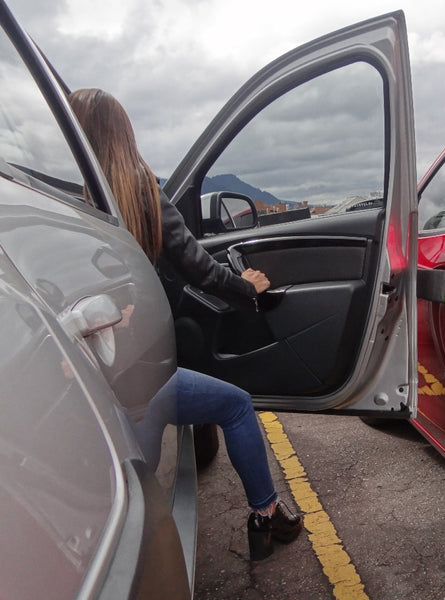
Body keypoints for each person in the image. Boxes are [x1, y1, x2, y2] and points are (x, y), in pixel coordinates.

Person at [68, 87, 301, 561]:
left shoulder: (71, 206)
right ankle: (265, 514)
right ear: (123, 135)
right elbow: (201, 269)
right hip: (145, 375)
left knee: (135, 500)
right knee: (236, 405)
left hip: (93, 380)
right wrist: (247, 287)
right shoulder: (140, 192)